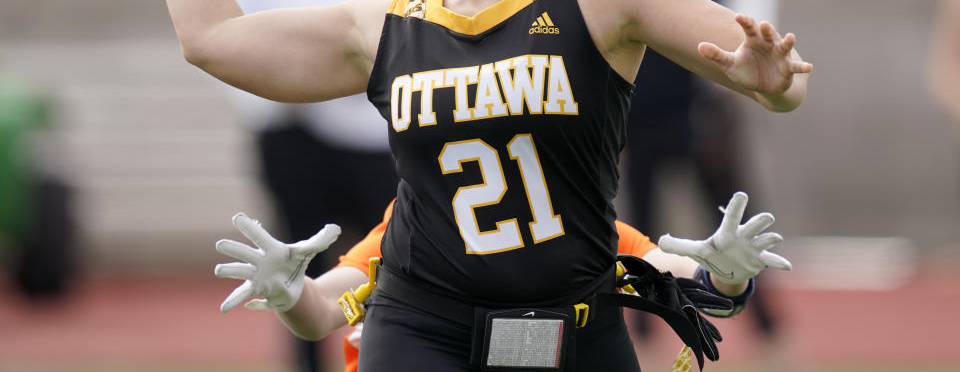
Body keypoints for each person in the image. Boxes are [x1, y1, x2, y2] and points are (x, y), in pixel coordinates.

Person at [146, 0, 810, 371]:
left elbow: (782, 79)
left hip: (576, 326)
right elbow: (211, 39)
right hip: (420, 328)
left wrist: (776, 83)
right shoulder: (386, 21)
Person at [212, 0, 415, 372]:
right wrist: (272, 104)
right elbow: (234, 37)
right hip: (292, 127)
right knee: (296, 262)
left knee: (392, 256)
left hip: (375, 128)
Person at [594, 0, 784, 340]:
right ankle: (640, 339)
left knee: (737, 223)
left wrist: (728, 100)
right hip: (636, 111)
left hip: (702, 111)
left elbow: (753, 17)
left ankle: (769, 331)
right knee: (638, 230)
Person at [213, 194, 779, 372]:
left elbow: (683, 278)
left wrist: (725, 277)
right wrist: (293, 294)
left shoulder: (578, 222)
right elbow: (324, 310)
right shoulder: (417, 219)